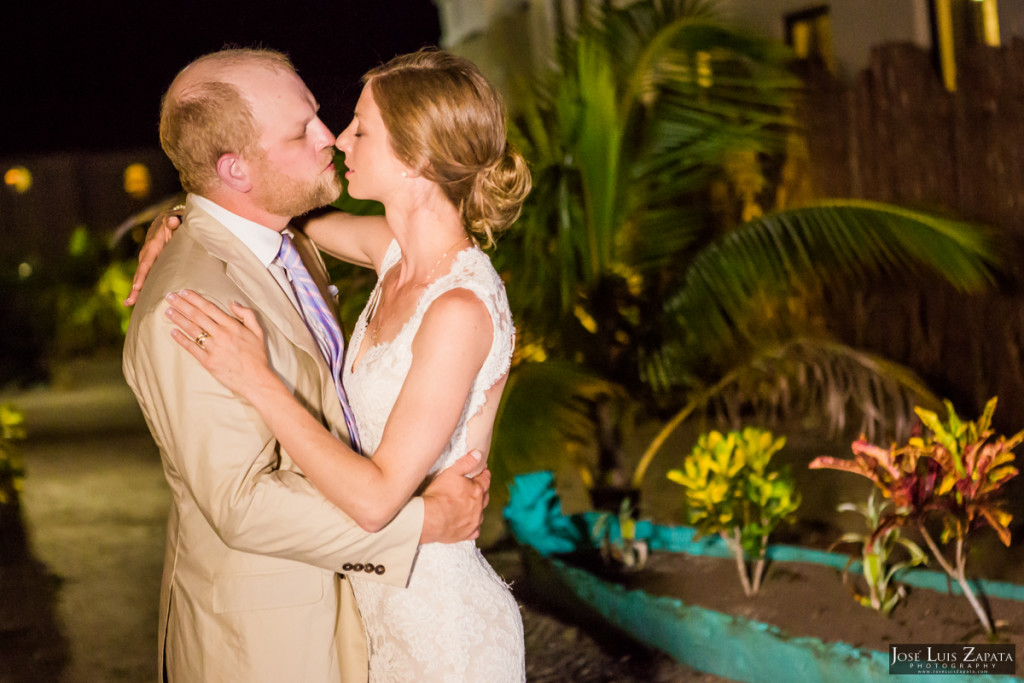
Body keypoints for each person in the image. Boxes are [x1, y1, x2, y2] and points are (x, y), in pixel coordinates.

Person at [157, 49, 532, 681]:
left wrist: (259, 382)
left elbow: (376, 498)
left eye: (362, 128)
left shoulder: (459, 309)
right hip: (376, 618)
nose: (339, 139)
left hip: (443, 633)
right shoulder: (394, 255)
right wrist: (177, 223)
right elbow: (265, 213)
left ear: (414, 157)